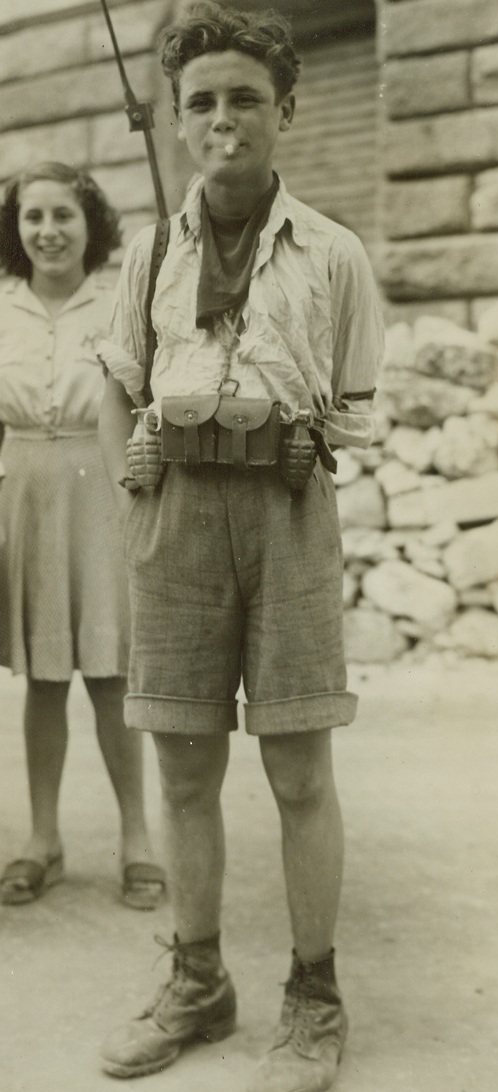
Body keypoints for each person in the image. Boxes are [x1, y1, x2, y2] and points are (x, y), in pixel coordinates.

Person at [97, 4, 383, 1090]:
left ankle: (314, 995)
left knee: (299, 768)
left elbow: (355, 403)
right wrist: (134, 494)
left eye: (246, 100)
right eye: (202, 102)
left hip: (286, 511)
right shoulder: (145, 256)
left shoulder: (334, 254)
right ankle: (197, 979)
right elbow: (117, 384)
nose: (224, 120)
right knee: (182, 766)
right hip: (174, 515)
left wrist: (305, 437)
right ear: (175, 120)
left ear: (286, 112)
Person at [0, 162, 165, 911]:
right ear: (16, 229)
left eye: (63, 215)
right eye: (33, 217)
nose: (48, 232)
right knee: (43, 676)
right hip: (22, 490)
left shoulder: (118, 302)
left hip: (97, 485)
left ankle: (138, 840)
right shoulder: (3, 307)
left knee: (108, 671)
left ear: (89, 223)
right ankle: (43, 840)